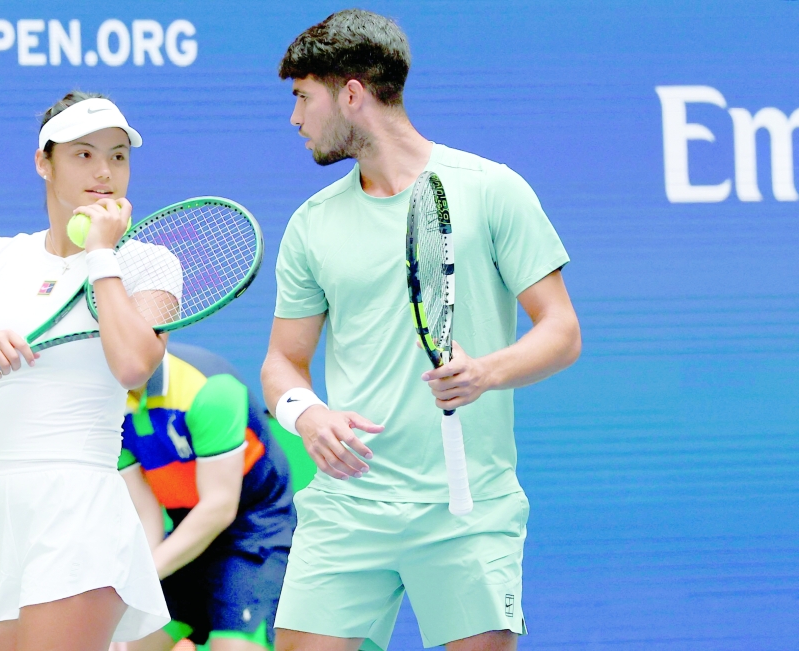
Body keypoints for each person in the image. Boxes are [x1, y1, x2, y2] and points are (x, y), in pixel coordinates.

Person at [262, 10, 582, 651]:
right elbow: (282, 362)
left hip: (468, 510)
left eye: (304, 97)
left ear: (351, 93)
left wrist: (486, 372)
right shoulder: (311, 223)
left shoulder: (492, 191)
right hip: (349, 505)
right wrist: (307, 415)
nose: (295, 119)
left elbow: (562, 331)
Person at [0, 91, 178, 651]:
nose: (105, 171)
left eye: (118, 156)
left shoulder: (149, 263)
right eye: (83, 154)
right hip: (1, 509)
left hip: (80, 507)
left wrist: (102, 253)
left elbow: (133, 366)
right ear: (44, 163)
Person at [113, 342, 296, 651]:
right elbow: (146, 513)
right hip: (185, 529)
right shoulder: (104, 401)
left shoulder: (209, 387)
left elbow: (219, 506)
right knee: (125, 643)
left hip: (252, 528)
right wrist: (134, 585)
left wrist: (143, 577)